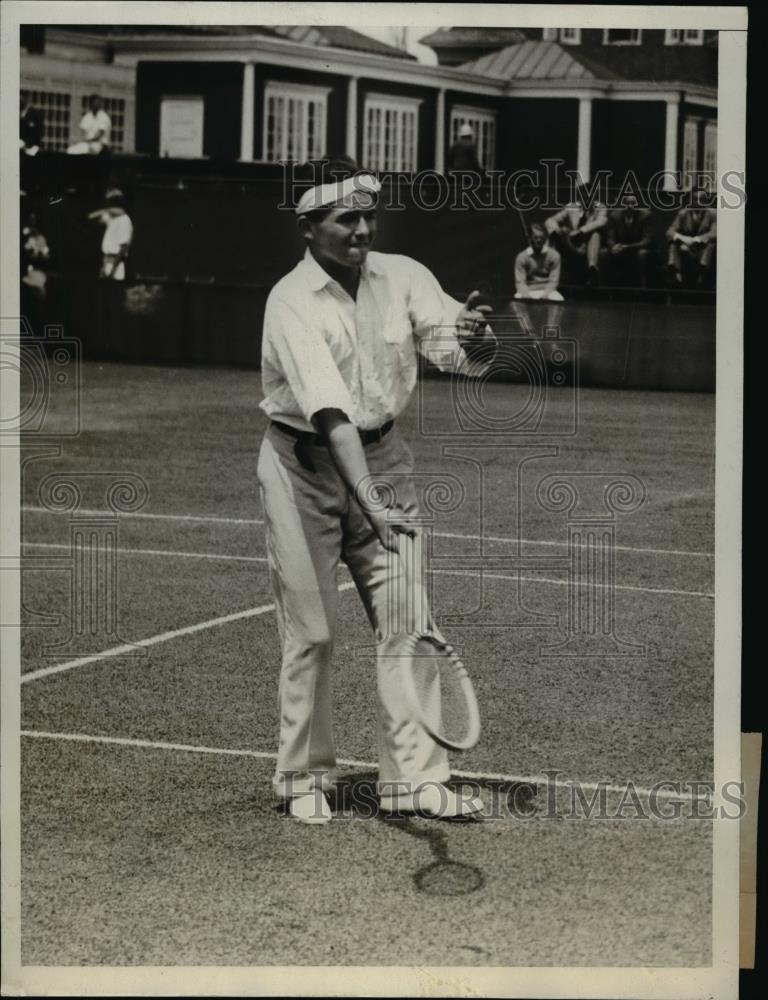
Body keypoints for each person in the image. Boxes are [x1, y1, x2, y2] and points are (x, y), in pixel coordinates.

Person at [258, 159, 493, 825]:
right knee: (311, 633)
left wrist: (476, 337)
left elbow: (459, 346)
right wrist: (371, 499)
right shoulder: (290, 301)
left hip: (384, 458)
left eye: (368, 216)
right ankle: (303, 778)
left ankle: (416, 780)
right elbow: (329, 414)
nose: (362, 229)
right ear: (309, 228)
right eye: (345, 219)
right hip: (301, 466)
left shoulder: (404, 275)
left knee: (409, 625)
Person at [544, 191, 607, 288]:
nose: (587, 200)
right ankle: (547, 269)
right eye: (584, 197)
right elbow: (550, 220)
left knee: (596, 234)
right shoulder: (572, 207)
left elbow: (601, 221)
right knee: (558, 233)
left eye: (590, 197)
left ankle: (592, 270)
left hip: (589, 243)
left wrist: (581, 231)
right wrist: (557, 230)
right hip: (573, 243)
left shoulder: (600, 207)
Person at [666, 186, 717, 288]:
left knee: (711, 244)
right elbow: (670, 232)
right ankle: (676, 273)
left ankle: (701, 275)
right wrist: (682, 238)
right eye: (695, 199)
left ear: (706, 201)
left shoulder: (713, 213)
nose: (697, 202)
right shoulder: (683, 213)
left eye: (701, 199)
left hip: (702, 248)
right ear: (690, 200)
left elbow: (715, 233)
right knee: (673, 243)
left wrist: (696, 239)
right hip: (687, 248)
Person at [604, 194, 654, 288]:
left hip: (637, 248)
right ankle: (605, 289)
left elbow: (647, 241)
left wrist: (628, 247)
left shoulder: (646, 215)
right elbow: (610, 237)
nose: (630, 206)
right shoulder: (614, 216)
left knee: (642, 254)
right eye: (627, 203)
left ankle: (643, 289)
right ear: (623, 205)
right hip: (620, 248)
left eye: (633, 203)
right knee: (604, 253)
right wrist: (613, 246)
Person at [88, 189, 133, 280]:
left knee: (113, 291)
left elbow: (123, 248)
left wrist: (113, 270)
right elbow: (91, 217)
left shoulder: (124, 220)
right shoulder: (112, 220)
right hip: (106, 262)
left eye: (111, 203)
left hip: (116, 265)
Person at [514, 223, 563, 302]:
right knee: (517, 300)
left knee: (559, 300)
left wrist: (545, 296)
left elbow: (553, 281)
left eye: (541, 238)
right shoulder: (522, 257)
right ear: (530, 238)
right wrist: (527, 297)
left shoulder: (554, 256)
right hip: (528, 291)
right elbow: (520, 283)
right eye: (536, 237)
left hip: (548, 292)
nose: (539, 240)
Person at [20, 91, 43, 156]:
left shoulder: (36, 114)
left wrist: (25, 143)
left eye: (21, 99)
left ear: (27, 99)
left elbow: (38, 133)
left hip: (31, 147)